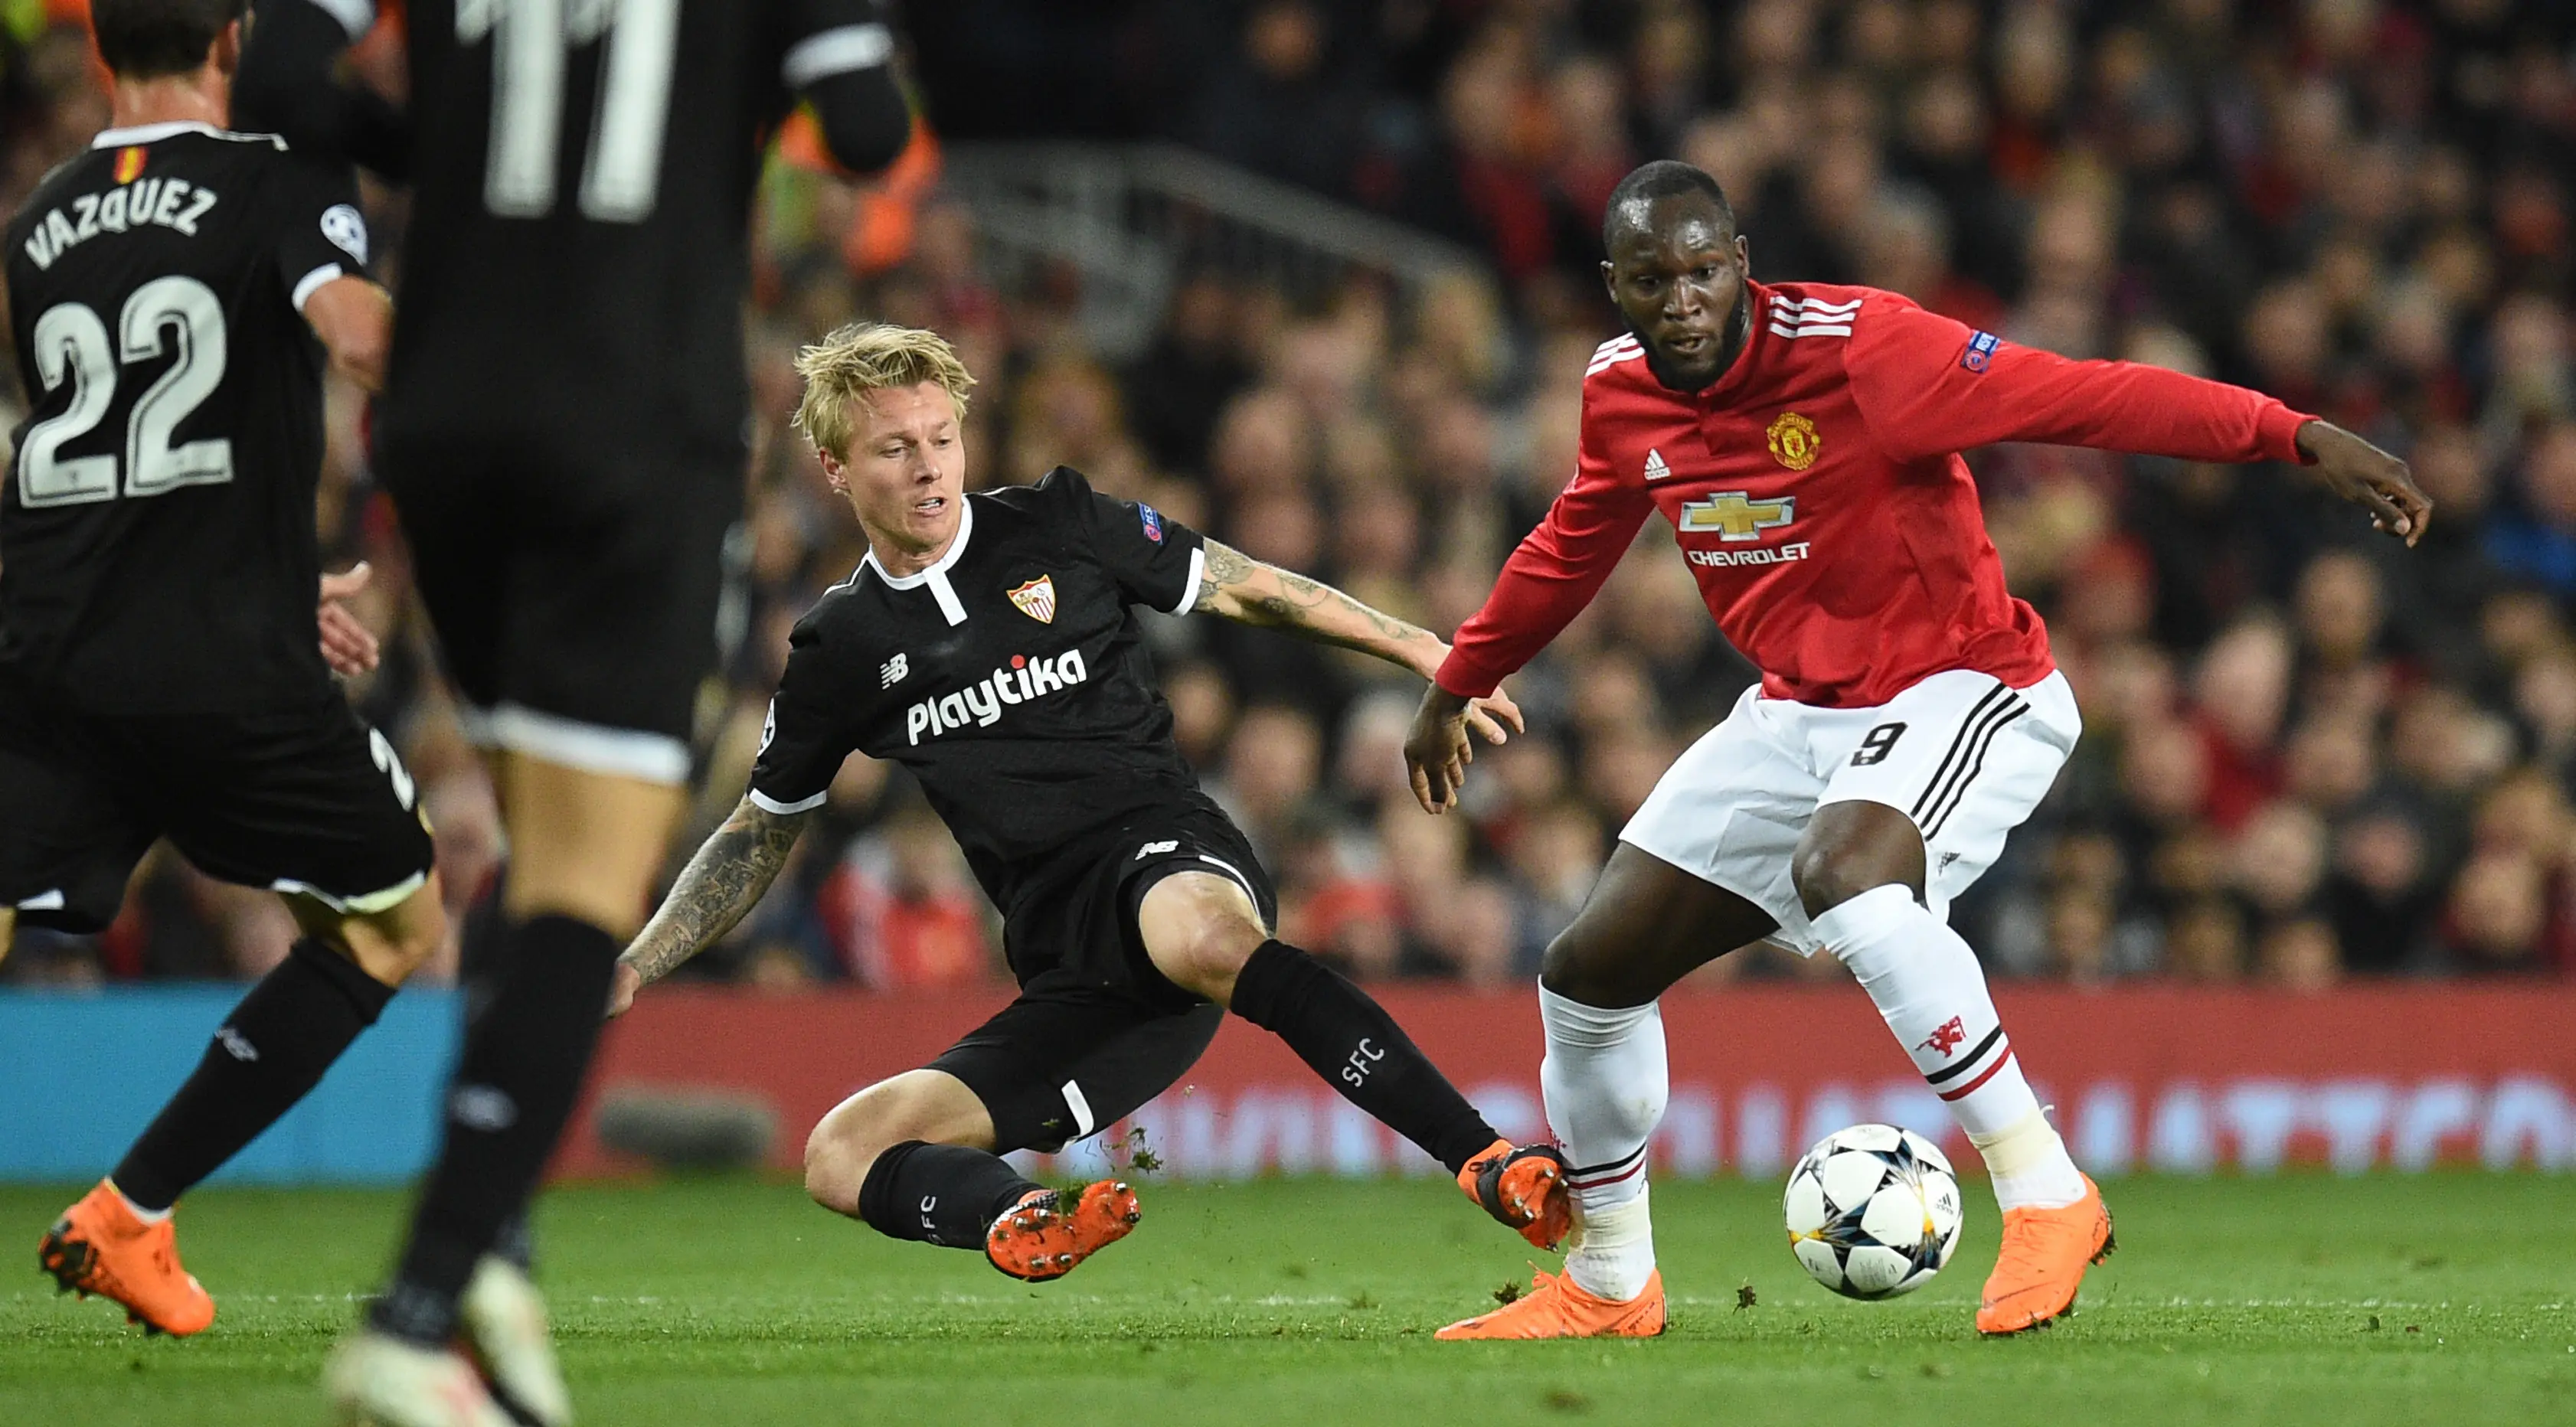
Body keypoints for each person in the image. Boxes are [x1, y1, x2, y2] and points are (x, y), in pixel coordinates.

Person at [1408, 161, 2431, 1340]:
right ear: (1616, 286)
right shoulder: (1620, 393)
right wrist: (1461, 679)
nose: (1682, 300)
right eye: (1653, 280)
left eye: (1703, 272)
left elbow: (2085, 398)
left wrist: (2292, 435)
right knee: (1587, 975)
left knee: (1844, 873)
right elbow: (1570, 544)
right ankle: (1610, 1281)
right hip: (1797, 711)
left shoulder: (1864, 352)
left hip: (1968, 683)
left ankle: (2047, 1190)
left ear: (1741, 263)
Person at [233, 3, 916, 1422]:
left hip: (441, 422)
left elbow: (285, 65)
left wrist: (429, 145)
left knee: (531, 845)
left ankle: (498, 1258)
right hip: (627, 421)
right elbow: (865, 129)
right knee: (581, 893)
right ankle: (423, 1305)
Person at [610, 322, 1572, 1283]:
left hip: (1166, 850)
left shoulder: (1057, 524)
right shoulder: (842, 646)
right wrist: (637, 963)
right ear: (834, 466)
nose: (928, 467)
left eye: (942, 437)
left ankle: (1485, 1157)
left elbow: (1247, 587)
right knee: (838, 1151)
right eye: (895, 448)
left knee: (1201, 936)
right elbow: (759, 832)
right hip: (1074, 971)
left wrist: (1417, 647)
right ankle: (1024, 1217)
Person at [2, 0, 445, 1340]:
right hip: (219, 668)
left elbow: (110, 457)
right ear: (232, 44)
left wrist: (260, 570)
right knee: (393, 924)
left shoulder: (36, 222)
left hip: (51, 646)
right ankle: (131, 1208)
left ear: (96, 51)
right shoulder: (273, 176)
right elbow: (360, 337)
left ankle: (132, 1220)